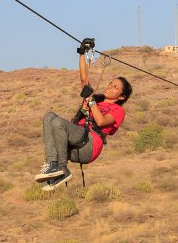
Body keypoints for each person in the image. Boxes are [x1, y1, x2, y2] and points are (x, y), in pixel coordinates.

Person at [34, 38, 132, 191]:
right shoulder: (96, 99)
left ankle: (61, 169)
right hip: (76, 141)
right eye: (110, 84)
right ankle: (54, 166)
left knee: (58, 123)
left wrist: (91, 102)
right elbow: (84, 80)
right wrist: (81, 53)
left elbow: (100, 121)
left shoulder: (118, 110)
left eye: (115, 87)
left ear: (121, 97)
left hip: (90, 145)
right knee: (49, 117)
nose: (109, 87)